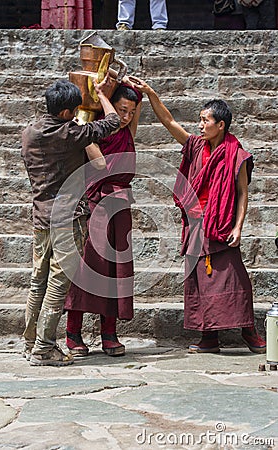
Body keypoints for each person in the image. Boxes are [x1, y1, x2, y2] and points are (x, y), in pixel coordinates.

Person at [128, 75, 266, 354]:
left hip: (221, 224)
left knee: (234, 279)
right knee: (199, 281)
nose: (201, 125)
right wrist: (151, 93)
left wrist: (239, 226)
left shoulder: (236, 156)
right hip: (196, 224)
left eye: (206, 120)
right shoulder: (195, 146)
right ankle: (209, 337)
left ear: (221, 125)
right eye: (200, 120)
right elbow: (169, 122)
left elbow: (242, 193)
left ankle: (248, 331)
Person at [21, 79, 120, 366]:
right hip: (68, 219)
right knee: (58, 284)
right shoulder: (69, 133)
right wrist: (101, 94)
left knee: (37, 281)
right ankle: (44, 348)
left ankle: (30, 343)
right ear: (66, 112)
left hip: (41, 217)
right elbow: (112, 122)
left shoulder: (30, 131)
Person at [64, 84, 142, 357]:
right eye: (122, 110)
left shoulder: (128, 132)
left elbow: (137, 101)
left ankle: (109, 333)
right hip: (96, 204)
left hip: (121, 207)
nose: (127, 117)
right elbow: (100, 166)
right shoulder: (91, 133)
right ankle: (73, 331)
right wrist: (99, 93)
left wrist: (109, 80)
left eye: (131, 113)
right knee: (88, 268)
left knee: (116, 269)